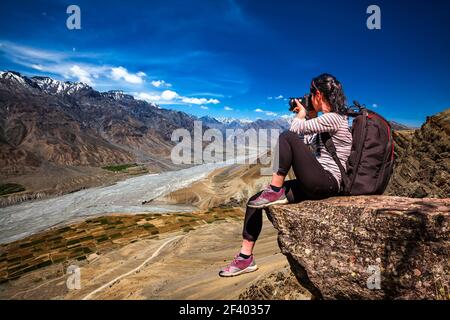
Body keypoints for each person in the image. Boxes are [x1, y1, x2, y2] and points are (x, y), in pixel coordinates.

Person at [219, 73, 353, 277]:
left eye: (310, 94)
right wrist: (308, 115)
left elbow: (294, 132)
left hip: (328, 182)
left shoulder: (334, 118)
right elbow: (304, 144)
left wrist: (301, 114)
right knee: (255, 201)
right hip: (317, 181)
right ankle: (245, 258)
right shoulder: (326, 122)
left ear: (317, 93)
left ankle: (275, 189)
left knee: (286, 136)